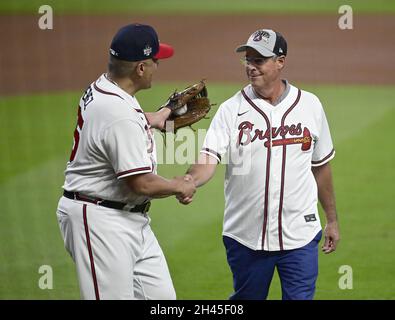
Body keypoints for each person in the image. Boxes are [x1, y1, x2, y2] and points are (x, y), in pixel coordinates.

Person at [180, 29, 340, 300]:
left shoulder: (310, 105)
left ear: (280, 61)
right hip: (246, 237)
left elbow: (321, 167)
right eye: (248, 59)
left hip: (300, 234)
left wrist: (332, 220)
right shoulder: (231, 110)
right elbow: (208, 158)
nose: (251, 67)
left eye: (259, 60)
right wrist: (190, 180)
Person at [56, 23, 196, 300]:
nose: (159, 65)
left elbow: (115, 119)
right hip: (99, 220)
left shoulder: (105, 86)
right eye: (155, 60)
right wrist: (178, 185)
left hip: (129, 218)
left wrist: (152, 117)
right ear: (141, 68)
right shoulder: (118, 114)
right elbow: (140, 183)